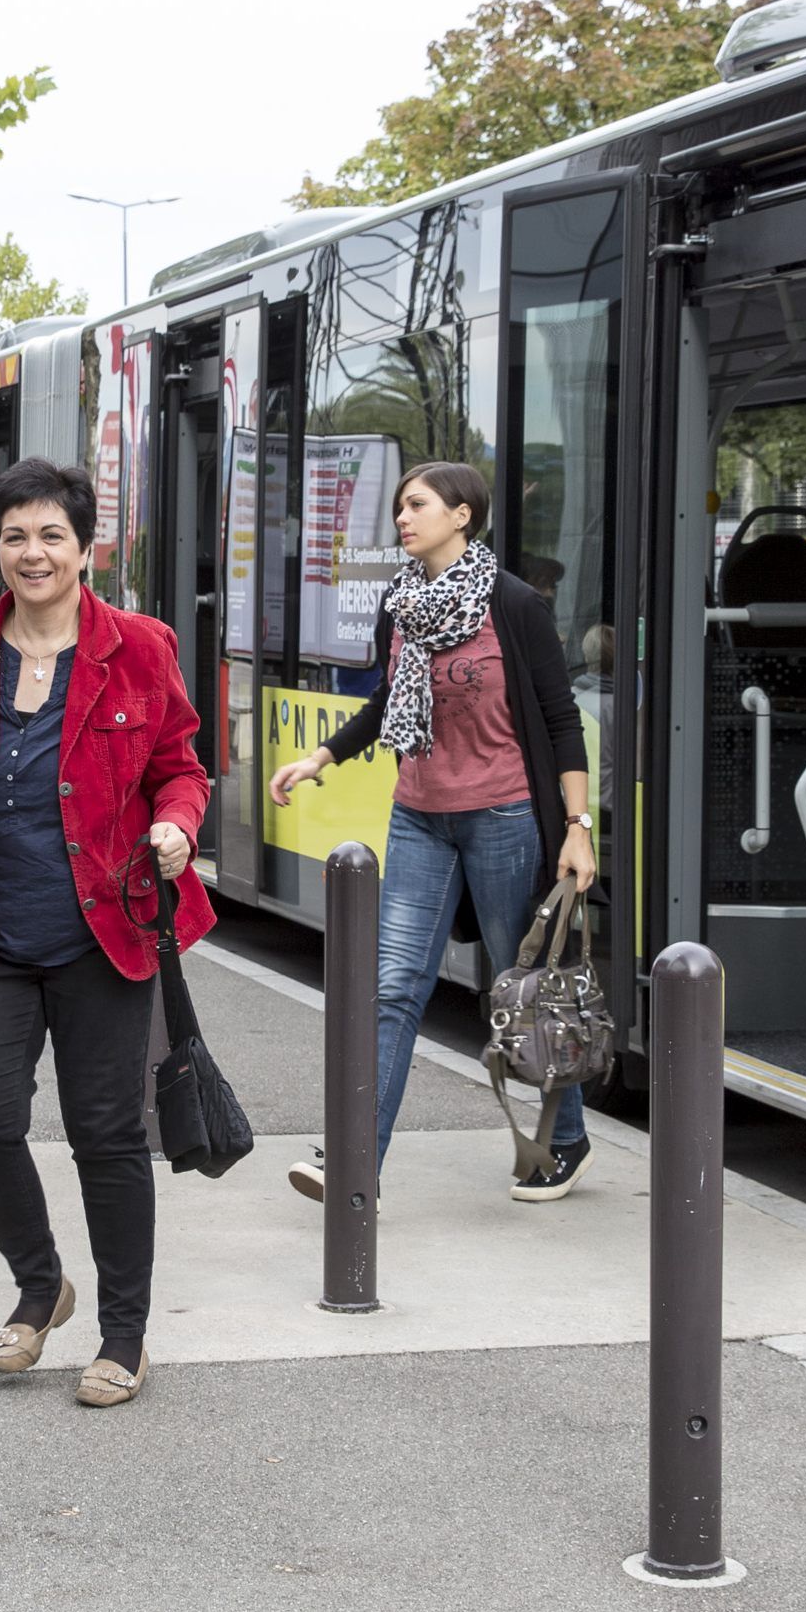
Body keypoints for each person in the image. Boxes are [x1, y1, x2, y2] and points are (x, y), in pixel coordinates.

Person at [0, 459, 207, 1408]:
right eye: (13, 536)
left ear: (85, 549)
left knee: (105, 1135)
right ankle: (41, 1284)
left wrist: (178, 824)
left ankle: (124, 1333)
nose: (31, 554)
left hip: (103, 932)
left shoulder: (139, 647)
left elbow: (181, 765)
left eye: (50, 536)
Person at [267, 460, 598, 1201]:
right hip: (418, 814)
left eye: (416, 505)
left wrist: (577, 826)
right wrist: (319, 758)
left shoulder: (513, 606)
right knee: (390, 988)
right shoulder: (403, 603)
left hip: (505, 814)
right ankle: (354, 1159)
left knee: (526, 992)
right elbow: (388, 701)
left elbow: (559, 720)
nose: (402, 520)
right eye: (399, 508)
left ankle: (566, 1137)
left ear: (461, 515)